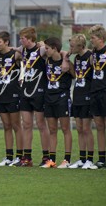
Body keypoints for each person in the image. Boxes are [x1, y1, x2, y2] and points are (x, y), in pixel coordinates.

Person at [14, 27, 50, 167]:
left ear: (30, 39)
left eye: (22, 38)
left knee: (41, 124)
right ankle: (27, 158)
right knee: (26, 124)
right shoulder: (22, 50)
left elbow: (55, 49)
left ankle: (46, 156)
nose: (20, 40)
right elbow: (14, 48)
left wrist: (42, 43)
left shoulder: (40, 50)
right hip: (26, 91)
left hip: (39, 91)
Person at [0, 31, 24, 167]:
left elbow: (26, 54)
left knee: (16, 126)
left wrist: (15, 49)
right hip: (1, 94)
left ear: (6, 42)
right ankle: (9, 156)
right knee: (6, 126)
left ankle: (20, 156)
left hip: (14, 93)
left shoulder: (15, 54)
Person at [41, 37, 73, 168]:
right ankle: (51, 160)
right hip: (49, 98)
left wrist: (65, 58)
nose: (45, 50)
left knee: (65, 128)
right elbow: (38, 46)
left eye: (47, 48)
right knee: (52, 129)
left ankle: (67, 159)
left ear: (54, 48)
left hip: (62, 97)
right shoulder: (47, 59)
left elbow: (76, 75)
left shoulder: (66, 62)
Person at [68, 34, 98, 169]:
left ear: (80, 46)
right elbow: (75, 75)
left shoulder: (91, 56)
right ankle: (82, 159)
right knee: (79, 129)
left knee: (87, 129)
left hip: (88, 95)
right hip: (77, 94)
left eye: (72, 46)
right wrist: (67, 60)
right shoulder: (77, 58)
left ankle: (90, 160)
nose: (70, 48)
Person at [88, 25, 106, 170]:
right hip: (94, 92)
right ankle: (102, 159)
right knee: (99, 127)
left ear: (101, 39)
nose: (91, 40)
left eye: (93, 38)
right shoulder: (93, 53)